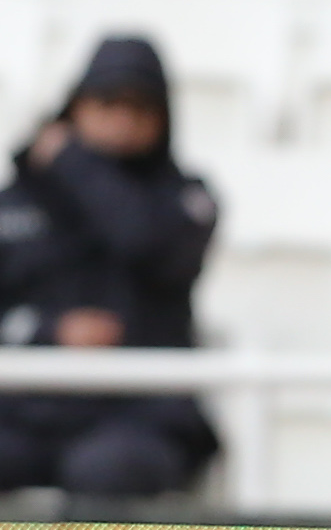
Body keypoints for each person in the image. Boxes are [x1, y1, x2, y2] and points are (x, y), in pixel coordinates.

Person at [0, 36, 220, 498]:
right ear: (75, 107)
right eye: (108, 102)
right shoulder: (16, 204)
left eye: (141, 107)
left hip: (140, 413)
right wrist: (49, 330)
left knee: (106, 472)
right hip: (26, 410)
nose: (124, 120)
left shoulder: (187, 200)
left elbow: (145, 242)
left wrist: (73, 162)